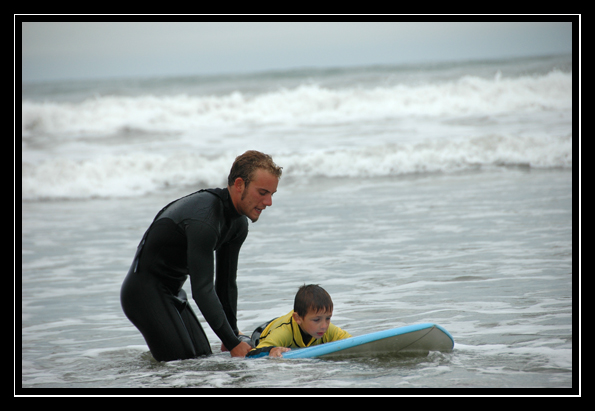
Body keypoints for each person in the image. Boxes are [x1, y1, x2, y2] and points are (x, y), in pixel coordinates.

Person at [120, 150, 282, 362]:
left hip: (172, 293)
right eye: (262, 192)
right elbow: (203, 290)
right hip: (143, 295)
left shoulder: (238, 224)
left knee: (200, 360)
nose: (269, 202)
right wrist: (233, 344)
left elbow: (226, 283)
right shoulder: (205, 220)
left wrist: (231, 334)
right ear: (239, 184)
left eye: (272, 194)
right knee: (182, 365)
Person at [246, 284, 351, 358]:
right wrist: (271, 350)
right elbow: (252, 354)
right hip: (261, 334)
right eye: (316, 320)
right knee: (244, 342)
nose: (324, 325)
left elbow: (352, 342)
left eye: (328, 318)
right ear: (298, 318)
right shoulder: (284, 332)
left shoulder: (326, 328)